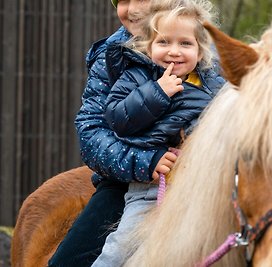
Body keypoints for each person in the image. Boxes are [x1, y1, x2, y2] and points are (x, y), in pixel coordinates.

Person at [91, 1, 224, 266]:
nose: (174, 52)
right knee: (119, 249)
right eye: (164, 42)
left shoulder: (215, 85)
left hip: (200, 190)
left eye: (185, 44)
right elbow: (118, 120)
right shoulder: (136, 78)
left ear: (200, 51)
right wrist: (157, 92)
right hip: (150, 190)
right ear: (149, 47)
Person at [48, 0, 155, 266]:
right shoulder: (110, 55)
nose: (130, 10)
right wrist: (145, 162)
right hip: (124, 182)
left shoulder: (203, 49)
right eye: (121, 0)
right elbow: (91, 130)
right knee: (66, 262)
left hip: (194, 180)